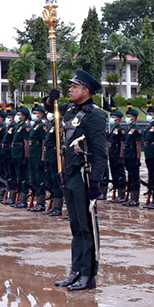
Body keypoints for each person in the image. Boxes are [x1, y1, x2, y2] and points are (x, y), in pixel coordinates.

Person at [46, 69, 107, 291]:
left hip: (84, 176)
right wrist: (50, 99)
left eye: (74, 86)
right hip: (70, 174)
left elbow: (100, 154)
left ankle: (88, 275)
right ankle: (76, 270)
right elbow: (52, 109)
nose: (70, 89)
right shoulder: (71, 110)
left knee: (87, 227)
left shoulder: (95, 116)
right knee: (76, 227)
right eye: (70, 86)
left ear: (86, 90)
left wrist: (95, 184)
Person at [43, 110, 64, 217]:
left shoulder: (60, 125)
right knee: (51, 179)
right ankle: (54, 205)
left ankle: (58, 207)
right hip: (49, 154)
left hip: (55, 155)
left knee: (57, 180)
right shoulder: (52, 125)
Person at [28, 102, 47, 212]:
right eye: (34, 113)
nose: (35, 115)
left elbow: (44, 142)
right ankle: (37, 201)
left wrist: (42, 158)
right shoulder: (34, 125)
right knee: (33, 178)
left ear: (41, 114)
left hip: (38, 154)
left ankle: (41, 202)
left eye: (37, 113)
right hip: (32, 154)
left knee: (39, 178)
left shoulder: (42, 126)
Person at [10, 105, 31, 209]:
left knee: (23, 177)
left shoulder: (25, 127)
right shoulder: (18, 126)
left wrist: (26, 157)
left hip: (21, 154)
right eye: (17, 114)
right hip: (16, 154)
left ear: (24, 117)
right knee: (19, 176)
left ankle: (23, 199)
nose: (17, 116)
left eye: (20, 115)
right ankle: (19, 198)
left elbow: (26, 143)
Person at [122, 107, 142, 206]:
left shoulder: (136, 130)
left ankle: (135, 198)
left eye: (129, 116)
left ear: (134, 118)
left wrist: (138, 158)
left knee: (134, 177)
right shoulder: (129, 129)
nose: (127, 118)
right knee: (130, 176)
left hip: (133, 155)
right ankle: (130, 197)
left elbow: (138, 145)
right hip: (128, 155)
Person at [107, 109, 126, 204]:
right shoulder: (113, 128)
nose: (112, 119)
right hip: (112, 152)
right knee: (114, 173)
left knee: (120, 174)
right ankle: (117, 193)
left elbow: (122, 143)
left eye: (113, 117)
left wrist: (121, 156)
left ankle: (121, 194)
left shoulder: (120, 129)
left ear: (118, 119)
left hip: (118, 151)